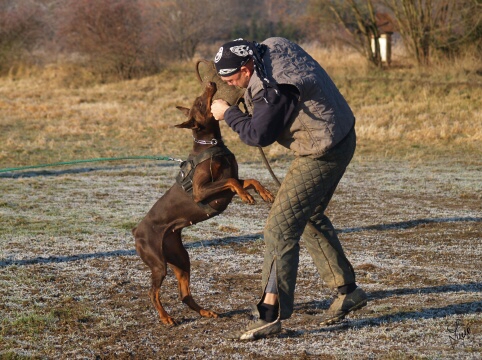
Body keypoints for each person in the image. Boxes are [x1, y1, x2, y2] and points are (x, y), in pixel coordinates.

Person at [211, 37, 367, 341]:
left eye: (231, 79)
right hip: (340, 133)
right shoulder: (271, 44)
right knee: (306, 215)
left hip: (322, 150)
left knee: (279, 229)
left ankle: (271, 314)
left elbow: (258, 135)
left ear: (246, 67)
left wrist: (228, 114)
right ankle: (348, 291)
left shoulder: (275, 89)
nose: (230, 85)